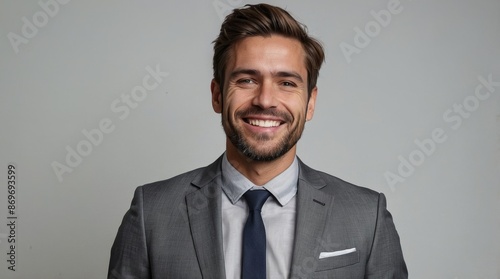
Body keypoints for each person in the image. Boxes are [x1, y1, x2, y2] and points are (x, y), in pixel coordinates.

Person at [108, 3, 408, 279]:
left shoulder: (367, 217)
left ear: (311, 103)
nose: (265, 100)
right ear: (217, 94)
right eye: (246, 80)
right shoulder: (153, 214)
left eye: (287, 83)